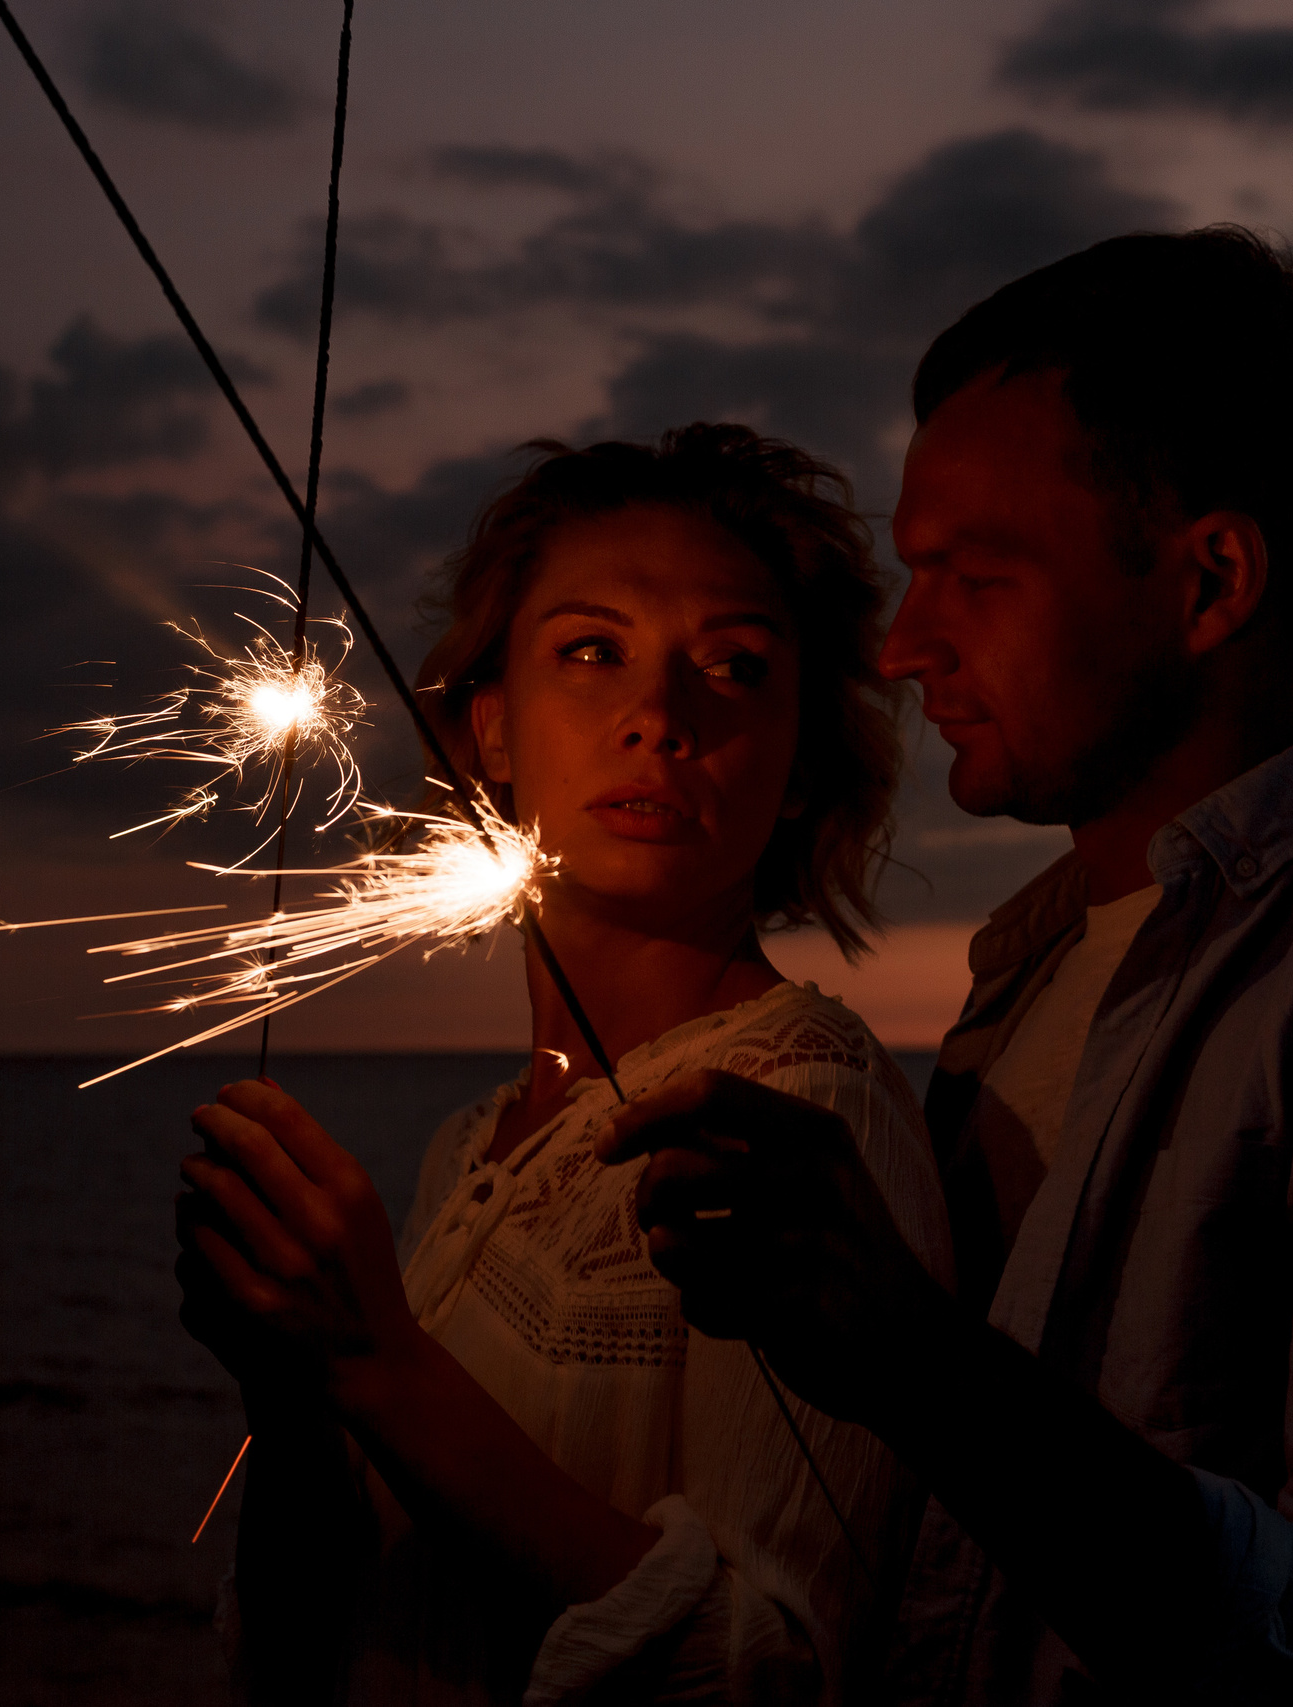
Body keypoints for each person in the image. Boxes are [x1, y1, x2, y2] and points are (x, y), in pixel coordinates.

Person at [599, 229, 1293, 1704]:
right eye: (908, 573)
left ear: (1211, 582)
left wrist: (919, 1360)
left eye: (972, 577)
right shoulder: (1038, 962)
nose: (903, 645)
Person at [174, 424, 957, 1705]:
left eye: (737, 668)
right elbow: (329, 1629)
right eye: (593, 652)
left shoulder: (801, 1105)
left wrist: (382, 1362)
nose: (659, 717)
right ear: (489, 727)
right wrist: (300, 1390)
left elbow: (780, 1672)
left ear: (801, 764)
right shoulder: (469, 1145)